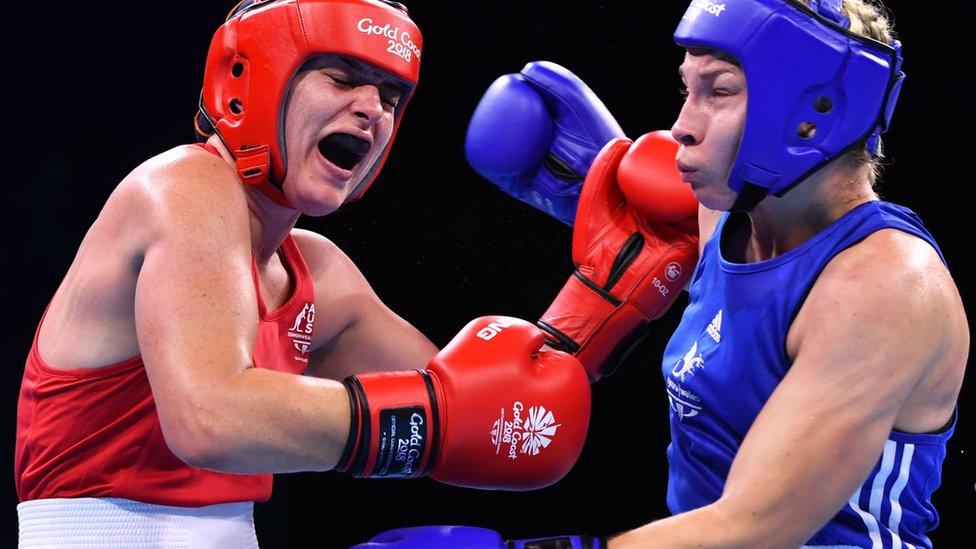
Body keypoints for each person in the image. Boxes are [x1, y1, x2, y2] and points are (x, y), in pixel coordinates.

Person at [355, 0, 969, 547]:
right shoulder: (724, 221)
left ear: (810, 115)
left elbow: (754, 529)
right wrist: (592, 185)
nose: (682, 123)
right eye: (687, 89)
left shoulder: (885, 288)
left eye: (719, 91)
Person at [14, 1, 598, 545]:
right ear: (257, 80)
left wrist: (618, 264)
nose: (372, 108)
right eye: (342, 79)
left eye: (391, 96)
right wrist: (417, 422)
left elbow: (491, 409)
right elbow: (210, 416)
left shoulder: (316, 270)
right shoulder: (182, 188)